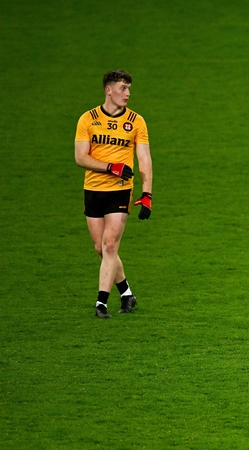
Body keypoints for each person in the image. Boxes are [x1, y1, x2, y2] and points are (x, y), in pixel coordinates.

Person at [74, 70, 153, 318]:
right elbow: (80, 157)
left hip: (120, 191)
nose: (127, 93)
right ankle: (127, 293)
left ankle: (101, 303)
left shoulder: (136, 122)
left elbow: (144, 158)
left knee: (110, 246)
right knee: (100, 248)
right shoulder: (88, 119)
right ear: (108, 90)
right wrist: (110, 167)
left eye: (129, 88)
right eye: (122, 88)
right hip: (93, 189)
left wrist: (147, 192)